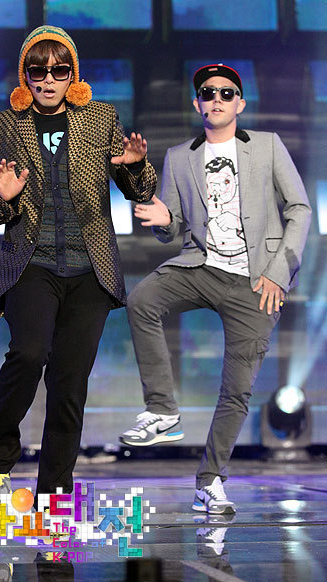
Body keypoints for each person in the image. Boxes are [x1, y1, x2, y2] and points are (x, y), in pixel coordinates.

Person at [0, 26, 157, 503]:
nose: (49, 79)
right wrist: (4, 198)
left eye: (59, 70)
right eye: (39, 71)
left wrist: (135, 165)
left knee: (69, 383)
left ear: (73, 75)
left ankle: (54, 494)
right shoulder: (1, 126)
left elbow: (139, 190)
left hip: (89, 268)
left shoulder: (100, 118)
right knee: (29, 353)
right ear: (25, 76)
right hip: (31, 263)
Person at [120, 63, 311, 513]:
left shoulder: (267, 145)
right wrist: (164, 220)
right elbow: (172, 228)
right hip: (201, 266)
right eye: (208, 93)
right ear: (197, 104)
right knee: (142, 299)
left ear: (239, 103)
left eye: (227, 93)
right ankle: (162, 410)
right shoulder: (179, 156)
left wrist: (278, 272)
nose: (217, 99)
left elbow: (299, 209)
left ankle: (209, 480)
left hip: (257, 280)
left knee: (236, 389)